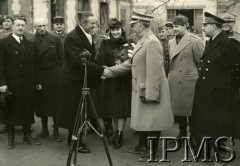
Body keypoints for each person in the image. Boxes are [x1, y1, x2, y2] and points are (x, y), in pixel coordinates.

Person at [107, 11, 174, 161]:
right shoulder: (143, 40)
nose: (131, 27)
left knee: (154, 122)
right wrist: (109, 71)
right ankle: (142, 146)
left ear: (141, 25)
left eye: (133, 25)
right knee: (147, 120)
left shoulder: (152, 42)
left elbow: (155, 72)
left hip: (150, 90)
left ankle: (153, 154)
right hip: (143, 88)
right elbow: (130, 64)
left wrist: (151, 95)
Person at [56, 11, 114, 153]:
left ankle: (75, 139)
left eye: (96, 22)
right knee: (75, 112)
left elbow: (89, 59)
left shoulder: (86, 34)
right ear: (83, 23)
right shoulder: (72, 37)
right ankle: (75, 142)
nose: (96, 25)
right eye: (92, 23)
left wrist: (101, 67)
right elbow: (79, 61)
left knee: (80, 111)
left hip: (80, 78)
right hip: (72, 80)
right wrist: (101, 70)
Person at [190, 12, 240, 166]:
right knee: (205, 122)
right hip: (206, 90)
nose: (203, 27)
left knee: (219, 124)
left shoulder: (228, 42)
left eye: (205, 25)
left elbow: (237, 68)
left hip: (220, 92)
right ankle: (204, 152)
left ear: (213, 25)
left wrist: (231, 90)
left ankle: (221, 155)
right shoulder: (211, 41)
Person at [0, 14, 42, 149]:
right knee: (11, 110)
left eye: (23, 25)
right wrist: (2, 83)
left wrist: (37, 81)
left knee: (27, 108)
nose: (20, 28)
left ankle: (26, 135)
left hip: (28, 82)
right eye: (17, 25)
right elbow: (1, 65)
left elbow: (35, 64)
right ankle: (11, 138)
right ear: (12, 26)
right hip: (12, 82)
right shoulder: (4, 42)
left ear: (26, 27)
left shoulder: (30, 43)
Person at [95, 18, 131, 149]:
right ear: (109, 31)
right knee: (114, 108)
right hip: (110, 80)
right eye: (113, 30)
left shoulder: (128, 43)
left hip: (123, 80)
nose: (115, 32)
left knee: (122, 108)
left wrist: (116, 69)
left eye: (117, 29)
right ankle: (116, 132)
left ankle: (120, 134)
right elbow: (99, 60)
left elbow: (129, 62)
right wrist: (105, 69)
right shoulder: (105, 44)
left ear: (122, 30)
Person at [168, 15, 204, 140]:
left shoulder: (195, 40)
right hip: (175, 81)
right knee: (179, 110)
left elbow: (201, 62)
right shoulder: (171, 41)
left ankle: (194, 135)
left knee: (191, 112)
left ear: (185, 26)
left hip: (189, 82)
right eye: (173, 26)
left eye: (177, 26)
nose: (174, 29)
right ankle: (182, 133)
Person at [33, 18, 64, 142]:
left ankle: (56, 131)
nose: (42, 28)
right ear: (35, 27)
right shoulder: (31, 40)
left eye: (44, 26)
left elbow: (63, 60)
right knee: (41, 104)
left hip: (53, 76)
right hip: (39, 75)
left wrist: (61, 76)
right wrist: (36, 80)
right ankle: (44, 130)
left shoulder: (55, 39)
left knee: (55, 104)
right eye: (39, 26)